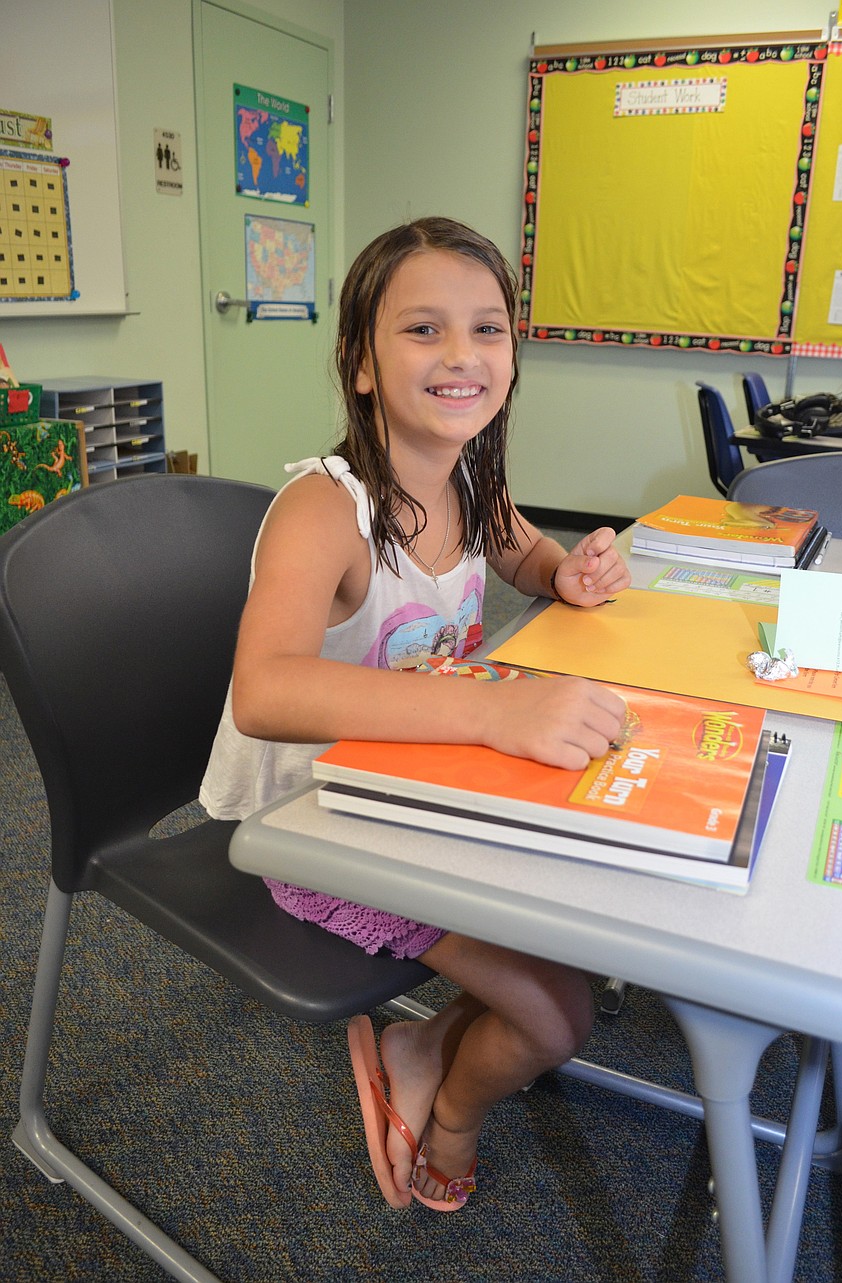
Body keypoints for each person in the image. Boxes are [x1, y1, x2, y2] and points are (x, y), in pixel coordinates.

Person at [200, 216, 631, 1211]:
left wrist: (565, 569)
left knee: (592, 921)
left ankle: (420, 1036)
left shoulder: (471, 475)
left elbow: (522, 554)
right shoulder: (326, 507)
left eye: (487, 329)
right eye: (422, 329)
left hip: (419, 795)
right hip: (311, 833)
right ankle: (448, 1115)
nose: (461, 355)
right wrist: (483, 715)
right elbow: (263, 690)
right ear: (359, 362)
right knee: (558, 1012)